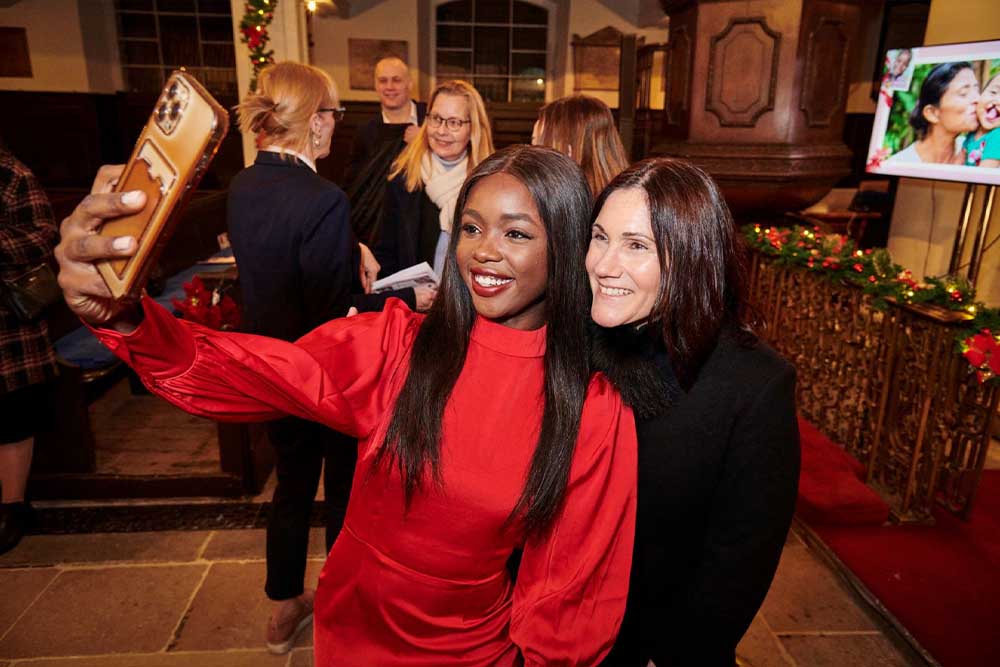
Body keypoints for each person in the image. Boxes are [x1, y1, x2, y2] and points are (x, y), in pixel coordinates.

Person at [55, 145, 637, 666]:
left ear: (563, 246)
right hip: (349, 633)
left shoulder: (591, 407)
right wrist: (129, 320)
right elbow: (250, 374)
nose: (483, 253)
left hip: (467, 649)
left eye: (515, 233)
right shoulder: (396, 346)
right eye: (471, 227)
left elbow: (567, 599)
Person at [229, 61, 435, 655]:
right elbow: (335, 311)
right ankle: (343, 606)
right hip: (326, 374)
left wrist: (351, 249)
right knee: (345, 488)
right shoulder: (323, 197)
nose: (335, 125)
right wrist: (405, 294)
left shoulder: (244, 185)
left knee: (291, 484)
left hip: (270, 366)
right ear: (315, 122)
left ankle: (282, 604)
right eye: (333, 113)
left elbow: (277, 266)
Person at [588, 159, 800, 666]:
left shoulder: (752, 384)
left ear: (691, 258)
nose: (603, 263)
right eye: (599, 237)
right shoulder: (574, 343)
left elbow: (738, 562)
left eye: (636, 246)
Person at [0, 144, 59, 556]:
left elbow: (42, 235)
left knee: (13, 416)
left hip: (8, 322)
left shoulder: (11, 173)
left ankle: (13, 507)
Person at [379, 79, 493, 278]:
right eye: (436, 119)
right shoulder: (404, 174)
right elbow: (386, 250)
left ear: (473, 128)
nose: (441, 131)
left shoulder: (488, 183)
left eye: (454, 122)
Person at [344, 57, 427, 247]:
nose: (389, 87)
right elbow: (355, 186)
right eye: (383, 80)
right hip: (381, 229)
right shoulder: (366, 132)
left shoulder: (430, 120)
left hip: (421, 222)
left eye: (396, 80)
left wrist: (424, 144)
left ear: (409, 84)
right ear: (375, 85)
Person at [531, 94, 629, 198]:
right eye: (533, 143)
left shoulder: (568, 203)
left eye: (540, 145)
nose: (531, 154)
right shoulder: (624, 196)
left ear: (567, 152)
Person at [890, 61, 980, 164]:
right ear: (932, 113)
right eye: (963, 93)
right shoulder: (901, 164)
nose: (978, 99)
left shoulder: (974, 151)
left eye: (977, 90)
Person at [965, 71, 1000, 168]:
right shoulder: (973, 132)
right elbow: (958, 162)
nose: (997, 100)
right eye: (993, 92)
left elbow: (984, 175)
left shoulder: (997, 136)